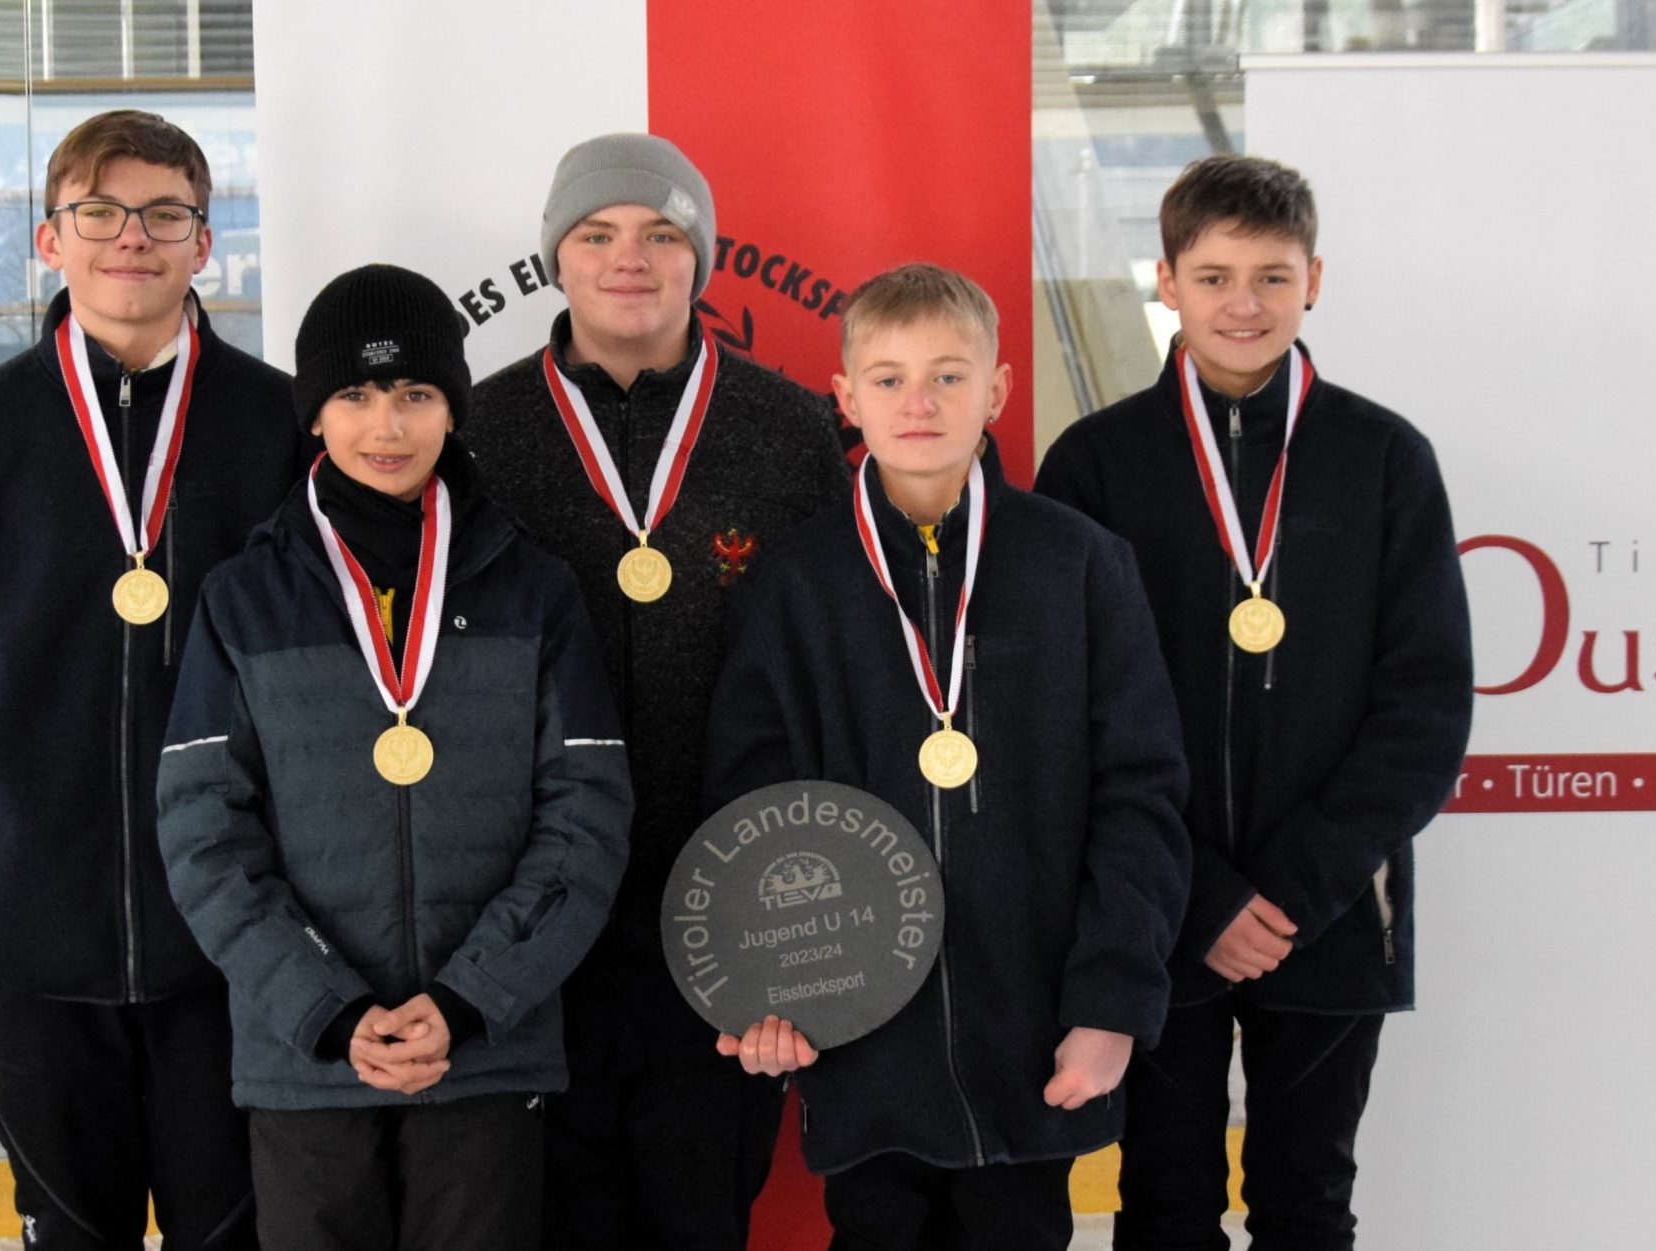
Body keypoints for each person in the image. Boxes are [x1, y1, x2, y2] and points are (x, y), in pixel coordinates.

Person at [1033, 154, 1473, 1251]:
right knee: (1163, 1200)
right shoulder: (1093, 464)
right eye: (1215, 275)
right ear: (1165, 281)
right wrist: (1200, 896)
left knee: (1306, 1199)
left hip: (1324, 913)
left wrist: (1283, 891)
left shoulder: (1383, 459)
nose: (1243, 304)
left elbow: (1422, 705)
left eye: (1270, 277)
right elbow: (1060, 706)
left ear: (1312, 278)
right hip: (1153, 905)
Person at [0, 108, 306, 1250]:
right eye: (101, 212)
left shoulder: (280, 427)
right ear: (49, 239)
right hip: (39, 940)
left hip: (236, 940)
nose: (133, 237)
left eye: (166, 213)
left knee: (238, 1232)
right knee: (73, 1234)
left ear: (203, 243)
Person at [707, 262, 1192, 1251]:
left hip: (1036, 1031)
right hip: (860, 1034)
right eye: (885, 379)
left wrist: (1109, 1002)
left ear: (998, 390)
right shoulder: (792, 588)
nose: (916, 403)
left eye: (946, 375)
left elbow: (1140, 800)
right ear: (843, 398)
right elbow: (752, 809)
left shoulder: (1080, 564)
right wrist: (766, 990)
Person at [156, 263, 632, 1250]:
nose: (387, 426)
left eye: (415, 394)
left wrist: (466, 1000)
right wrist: (323, 1011)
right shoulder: (241, 600)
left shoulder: (534, 592)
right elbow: (204, 836)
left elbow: (585, 817)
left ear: (453, 410)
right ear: (315, 417)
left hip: (483, 1051)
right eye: (356, 395)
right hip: (308, 1059)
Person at [465, 131, 852, 1249]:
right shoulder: (480, 432)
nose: (627, 258)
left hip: (726, 920)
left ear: (702, 259)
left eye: (660, 234)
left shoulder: (787, 432)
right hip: (532, 919)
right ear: (554, 257)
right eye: (596, 234)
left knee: (699, 1214)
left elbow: (833, 667)